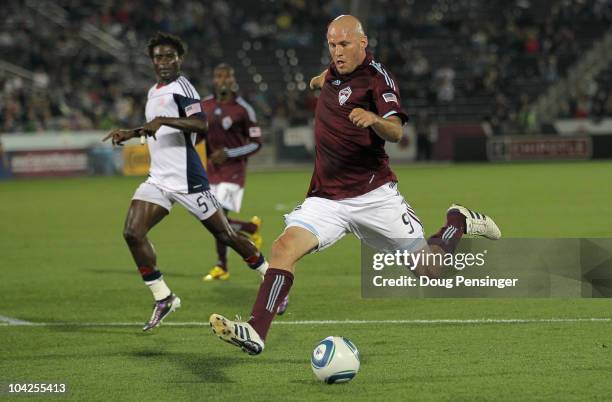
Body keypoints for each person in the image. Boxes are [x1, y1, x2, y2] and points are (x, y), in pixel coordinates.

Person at [208, 15, 501, 355]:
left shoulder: (379, 81)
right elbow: (325, 77)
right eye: (332, 45)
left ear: (363, 43)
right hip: (327, 198)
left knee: (430, 269)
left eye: (344, 44)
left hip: (374, 196)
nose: (337, 52)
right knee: (282, 249)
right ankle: (256, 332)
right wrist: (317, 81)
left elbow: (396, 131)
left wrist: (374, 119)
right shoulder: (334, 71)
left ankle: (458, 220)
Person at [103, 32, 268, 332]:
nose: (164, 62)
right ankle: (163, 297)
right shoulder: (154, 91)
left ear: (179, 59)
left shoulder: (183, 87)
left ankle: (269, 276)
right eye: (158, 57)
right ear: (152, 62)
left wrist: (163, 121)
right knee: (132, 232)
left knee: (227, 235)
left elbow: (200, 123)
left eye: (169, 56)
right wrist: (132, 133)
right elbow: (156, 128)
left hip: (188, 179)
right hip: (159, 180)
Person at [200, 64, 264, 282]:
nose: (223, 80)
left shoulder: (243, 109)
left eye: (227, 76)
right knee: (212, 219)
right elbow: (197, 135)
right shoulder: (204, 105)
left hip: (233, 171)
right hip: (211, 172)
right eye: (219, 76)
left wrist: (230, 153)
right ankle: (249, 227)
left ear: (233, 79)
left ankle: (222, 266)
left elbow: (256, 143)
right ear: (214, 80)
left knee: (217, 216)